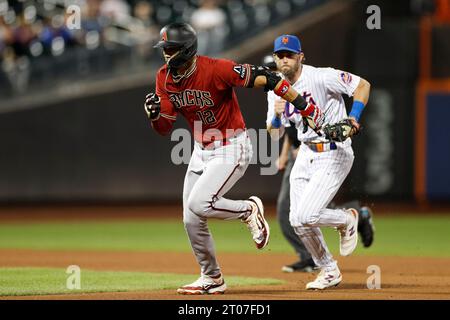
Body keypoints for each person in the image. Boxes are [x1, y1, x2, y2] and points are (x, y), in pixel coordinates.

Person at [144, 23, 323, 295]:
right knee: (191, 219)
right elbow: (164, 128)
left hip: (231, 145)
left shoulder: (216, 69)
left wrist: (304, 106)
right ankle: (212, 277)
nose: (166, 54)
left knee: (199, 203)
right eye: (165, 49)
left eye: (171, 49)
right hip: (201, 149)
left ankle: (248, 210)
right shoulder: (163, 78)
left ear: (186, 49)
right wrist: (155, 115)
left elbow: (270, 79)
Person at [266, 34, 371, 290]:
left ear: (301, 56)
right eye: (280, 55)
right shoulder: (276, 89)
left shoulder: (321, 76)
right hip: (306, 153)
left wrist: (354, 118)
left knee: (308, 214)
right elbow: (273, 131)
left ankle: (347, 219)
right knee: (297, 220)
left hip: (334, 151)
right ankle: (328, 270)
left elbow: (363, 85)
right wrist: (278, 117)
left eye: (289, 55)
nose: (284, 60)